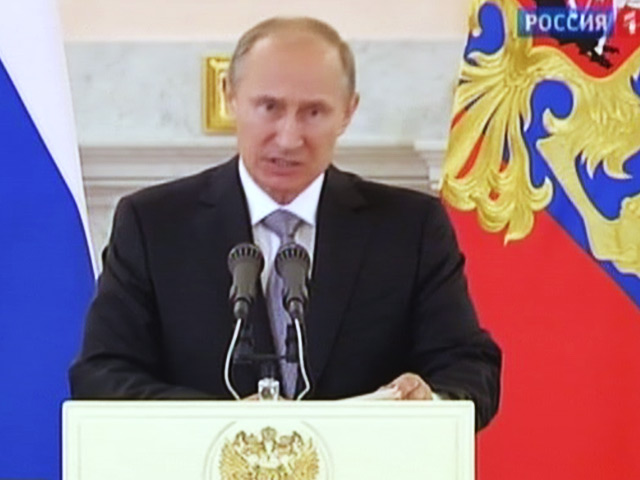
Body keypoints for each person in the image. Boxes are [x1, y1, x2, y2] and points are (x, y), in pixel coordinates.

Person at [69, 17, 501, 430]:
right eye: (269, 107)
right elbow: (102, 375)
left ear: (348, 112)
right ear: (230, 96)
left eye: (314, 112)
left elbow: (468, 368)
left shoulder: (409, 228)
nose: (289, 137)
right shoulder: (154, 224)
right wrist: (220, 424)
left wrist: (431, 403)